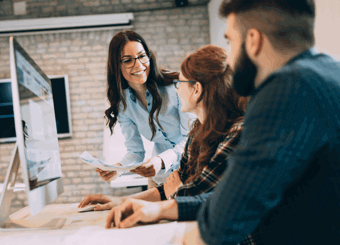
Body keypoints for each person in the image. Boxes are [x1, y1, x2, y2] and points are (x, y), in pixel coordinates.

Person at [100, 1, 340, 245]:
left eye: (230, 41)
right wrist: (160, 207)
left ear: (253, 40)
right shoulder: (329, 72)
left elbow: (223, 219)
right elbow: (235, 195)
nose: (230, 61)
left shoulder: (283, 91)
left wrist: (172, 205)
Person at [79, 45, 247, 211]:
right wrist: (120, 199)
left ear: (196, 90)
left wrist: (175, 192)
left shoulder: (236, 134)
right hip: (165, 182)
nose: (177, 87)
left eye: (180, 82)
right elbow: (175, 188)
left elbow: (198, 200)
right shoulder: (196, 134)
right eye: (127, 60)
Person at [99, 30, 195, 187]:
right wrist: (118, 169)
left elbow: (192, 139)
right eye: (128, 60)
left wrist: (161, 160)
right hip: (160, 179)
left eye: (142, 56)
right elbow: (136, 152)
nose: (138, 65)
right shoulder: (123, 104)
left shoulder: (176, 85)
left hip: (194, 171)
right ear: (117, 66)